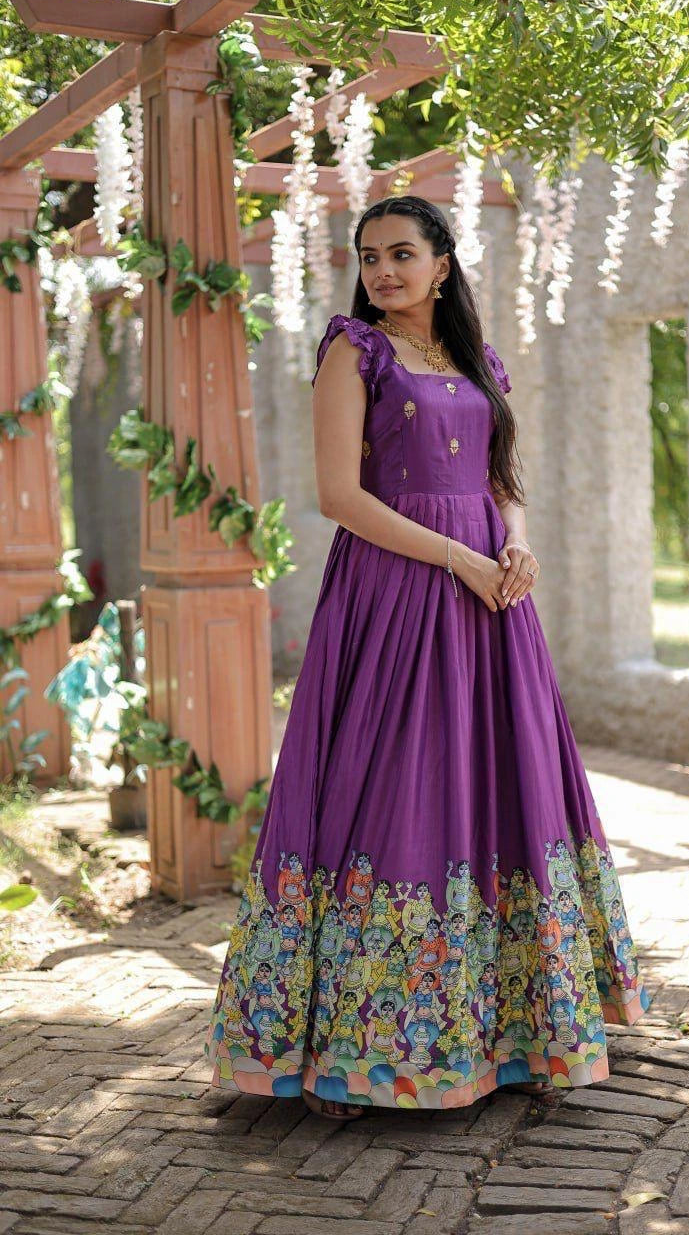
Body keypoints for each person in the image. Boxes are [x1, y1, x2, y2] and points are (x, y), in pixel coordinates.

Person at [204, 193, 651, 1120]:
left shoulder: (475, 361)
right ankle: (352, 1048)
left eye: (401, 254)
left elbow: (497, 480)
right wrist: (462, 559)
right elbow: (338, 495)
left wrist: (514, 546)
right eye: (369, 257)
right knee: (391, 787)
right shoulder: (352, 351)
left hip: (491, 601)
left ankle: (514, 1032)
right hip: (397, 596)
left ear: (443, 263)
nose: (382, 272)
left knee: (500, 787)